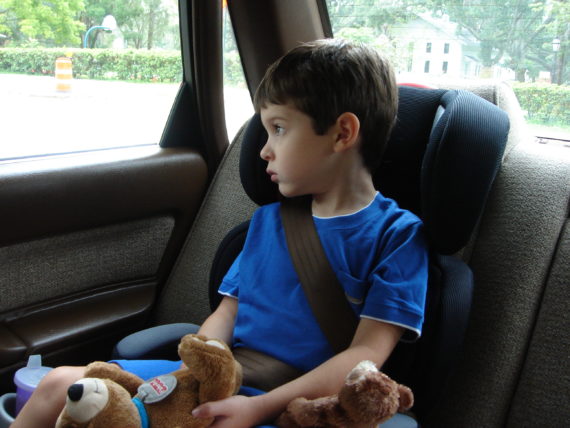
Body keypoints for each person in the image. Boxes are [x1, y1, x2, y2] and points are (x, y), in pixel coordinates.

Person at [11, 39, 427, 428]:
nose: (264, 149)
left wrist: (257, 407)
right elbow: (227, 313)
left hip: (300, 404)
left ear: (342, 133)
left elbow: (365, 355)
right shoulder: (269, 222)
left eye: (278, 128)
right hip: (229, 377)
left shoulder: (397, 236)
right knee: (56, 386)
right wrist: (189, 376)